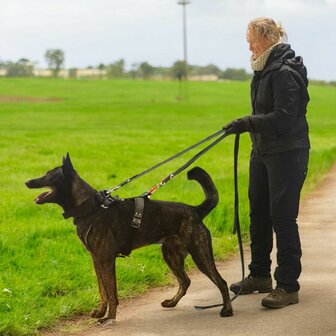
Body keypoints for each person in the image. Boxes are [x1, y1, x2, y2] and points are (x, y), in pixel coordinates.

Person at [223, 17, 310, 309]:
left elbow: (285, 118)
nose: (248, 45)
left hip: (288, 151)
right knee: (258, 214)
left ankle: (287, 286)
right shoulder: (263, 68)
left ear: (268, 39)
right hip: (262, 151)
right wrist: (250, 128)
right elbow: (265, 112)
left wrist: (248, 122)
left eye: (252, 40)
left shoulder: (284, 71)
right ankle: (259, 275)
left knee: (282, 219)